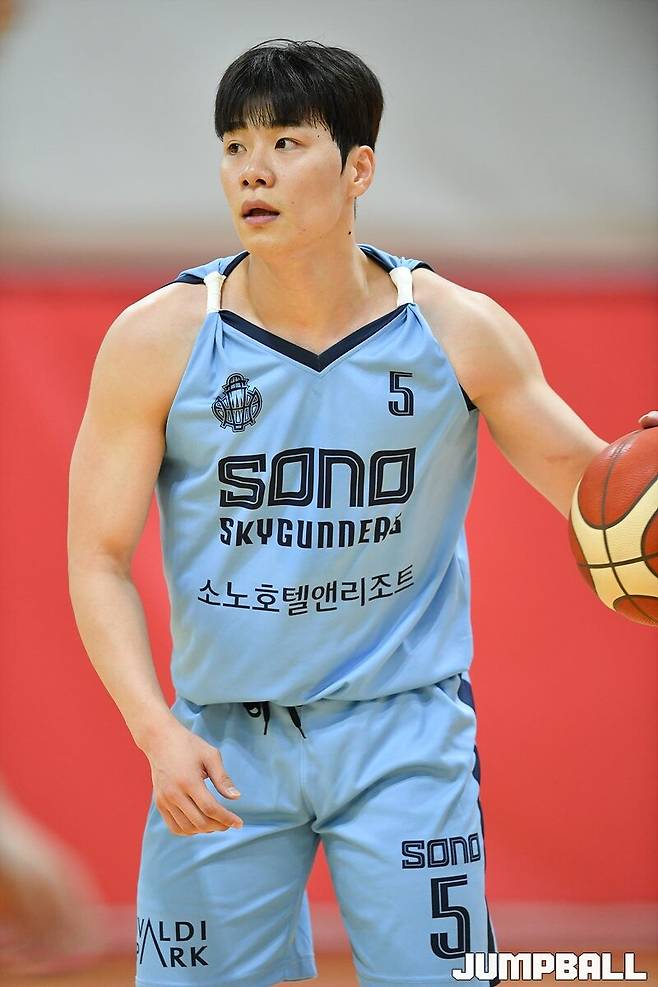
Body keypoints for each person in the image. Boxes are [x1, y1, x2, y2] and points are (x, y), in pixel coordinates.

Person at [67, 38, 657, 987]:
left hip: (404, 735)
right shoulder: (158, 339)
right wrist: (154, 730)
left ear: (358, 170)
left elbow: (598, 492)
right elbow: (97, 557)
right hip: (222, 740)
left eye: (286, 142)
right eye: (234, 145)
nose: (253, 169)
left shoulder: (457, 329)